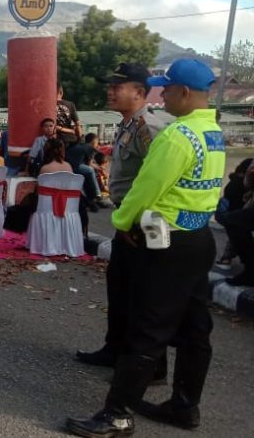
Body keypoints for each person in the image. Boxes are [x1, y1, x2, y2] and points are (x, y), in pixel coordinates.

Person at [66, 59, 224, 436]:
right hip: (198, 237)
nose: (163, 94)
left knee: (148, 326)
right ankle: (185, 406)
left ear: (184, 93)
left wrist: (122, 223)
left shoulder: (176, 135)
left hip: (165, 240)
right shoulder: (212, 132)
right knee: (195, 326)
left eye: (167, 89)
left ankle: (117, 414)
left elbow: (147, 188)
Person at [76, 63, 168, 384]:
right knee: (119, 288)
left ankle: (150, 368)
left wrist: (139, 220)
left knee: (143, 296)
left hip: (143, 222)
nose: (110, 91)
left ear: (140, 92)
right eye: (110, 86)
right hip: (125, 218)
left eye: (119, 86)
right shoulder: (128, 124)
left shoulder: (149, 128)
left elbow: (161, 180)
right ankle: (114, 350)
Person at [213, 158, 253, 270]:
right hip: (235, 210)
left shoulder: (235, 182)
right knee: (236, 225)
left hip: (232, 211)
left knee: (234, 226)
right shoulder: (239, 184)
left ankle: (229, 259)